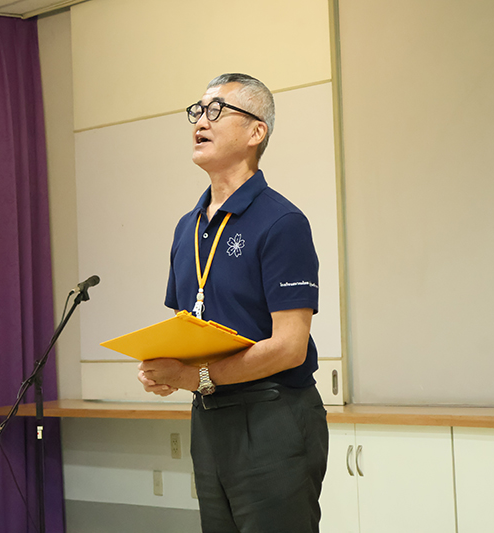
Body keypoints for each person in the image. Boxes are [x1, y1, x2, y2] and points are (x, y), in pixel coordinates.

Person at [137, 73, 328, 533]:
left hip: (272, 417)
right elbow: (189, 326)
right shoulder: (187, 227)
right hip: (208, 420)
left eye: (217, 110)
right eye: (197, 111)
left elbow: (289, 348)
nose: (200, 120)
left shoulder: (281, 222)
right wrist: (163, 368)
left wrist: (191, 376)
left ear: (255, 132)